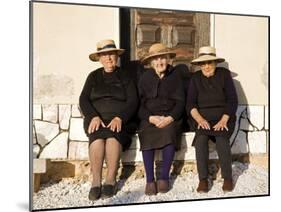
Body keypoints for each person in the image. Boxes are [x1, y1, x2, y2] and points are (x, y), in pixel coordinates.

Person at [79, 39, 138, 200]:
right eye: (104, 55)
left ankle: (111, 179)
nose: (108, 58)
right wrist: (93, 116)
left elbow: (133, 100)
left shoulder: (125, 76)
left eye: (111, 54)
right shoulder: (93, 76)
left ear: (117, 56)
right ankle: (96, 181)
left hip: (120, 120)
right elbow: (83, 99)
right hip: (97, 119)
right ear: (99, 58)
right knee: (97, 140)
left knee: (113, 137)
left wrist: (120, 117)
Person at [186, 46, 238, 193]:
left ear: (215, 63)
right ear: (199, 65)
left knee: (222, 139)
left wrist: (224, 120)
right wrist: (200, 119)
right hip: (203, 119)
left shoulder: (224, 75)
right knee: (201, 140)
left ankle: (227, 177)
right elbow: (190, 103)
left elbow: (232, 100)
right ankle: (203, 179)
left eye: (210, 63)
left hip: (224, 117)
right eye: (203, 63)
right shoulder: (195, 78)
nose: (207, 66)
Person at [138, 43, 185, 195]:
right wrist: (150, 117)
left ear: (168, 60)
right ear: (151, 63)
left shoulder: (175, 76)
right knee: (145, 132)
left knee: (170, 132)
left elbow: (181, 102)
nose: (160, 62)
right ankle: (150, 180)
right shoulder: (145, 78)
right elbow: (139, 103)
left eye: (163, 58)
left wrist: (170, 118)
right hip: (150, 118)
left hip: (170, 117)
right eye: (156, 59)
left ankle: (164, 177)